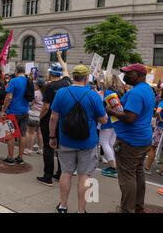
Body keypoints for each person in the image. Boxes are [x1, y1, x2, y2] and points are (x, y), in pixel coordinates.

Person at [50, 65, 108, 213]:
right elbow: (103, 120)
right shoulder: (93, 95)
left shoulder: (61, 92)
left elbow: (53, 117)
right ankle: (81, 210)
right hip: (88, 142)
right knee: (84, 176)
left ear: (73, 77)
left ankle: (63, 206)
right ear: (86, 78)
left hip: (66, 140)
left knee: (66, 173)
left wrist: (52, 136)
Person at [106, 64, 156, 213]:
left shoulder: (136, 93)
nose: (126, 76)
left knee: (127, 176)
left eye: (130, 73)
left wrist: (110, 111)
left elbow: (130, 117)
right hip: (143, 139)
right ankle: (138, 206)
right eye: (125, 73)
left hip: (130, 141)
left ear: (140, 75)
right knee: (138, 173)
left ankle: (127, 209)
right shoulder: (147, 89)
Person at [37, 52, 71, 187]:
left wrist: (40, 117)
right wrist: (60, 58)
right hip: (63, 121)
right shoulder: (67, 82)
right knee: (61, 148)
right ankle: (59, 173)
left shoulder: (50, 86)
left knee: (48, 148)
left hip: (50, 120)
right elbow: (66, 69)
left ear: (51, 74)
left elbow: (46, 107)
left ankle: (48, 176)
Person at [0, 65, 32, 166]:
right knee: (22, 134)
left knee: (11, 135)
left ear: (17, 71)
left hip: (13, 111)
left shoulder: (13, 81)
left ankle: (10, 158)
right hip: (25, 111)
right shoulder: (29, 81)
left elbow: (9, 97)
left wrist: (3, 110)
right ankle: (20, 158)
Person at [100, 74, 126, 178]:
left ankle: (113, 167)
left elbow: (105, 107)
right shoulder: (121, 92)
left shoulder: (109, 92)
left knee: (104, 142)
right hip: (117, 120)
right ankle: (114, 166)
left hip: (109, 119)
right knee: (110, 143)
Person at [145, 87, 163, 177]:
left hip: (160, 128)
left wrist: (159, 118)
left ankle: (147, 167)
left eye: (161, 92)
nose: (159, 93)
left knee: (153, 148)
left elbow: (158, 112)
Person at [26, 78, 45, 155]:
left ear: (37, 85)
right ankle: (41, 149)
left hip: (34, 114)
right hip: (42, 114)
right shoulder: (45, 93)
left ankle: (29, 149)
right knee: (40, 133)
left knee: (31, 132)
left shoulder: (35, 93)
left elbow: (30, 103)